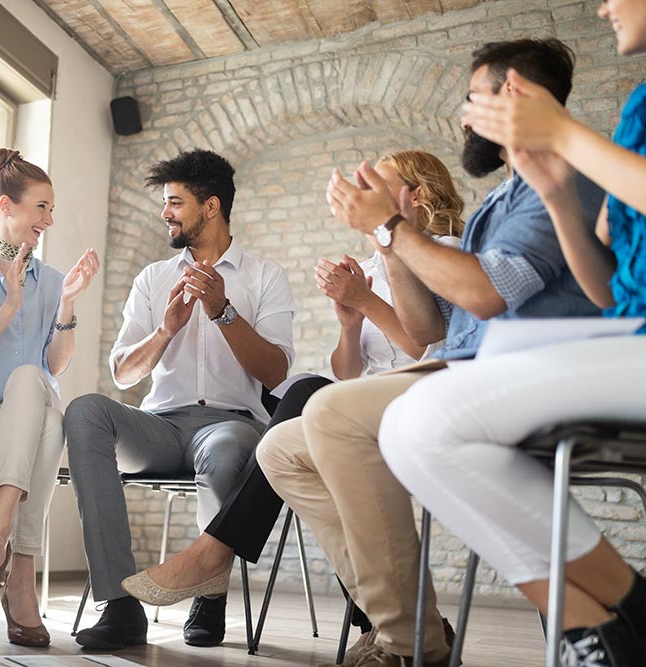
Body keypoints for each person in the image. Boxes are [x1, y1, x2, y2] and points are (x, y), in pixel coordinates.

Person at [256, 38, 607, 667]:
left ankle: (404, 644)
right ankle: (415, 623)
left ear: (515, 95)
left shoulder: (557, 184)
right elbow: (427, 329)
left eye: (474, 98)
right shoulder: (503, 199)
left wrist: (390, 229)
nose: (466, 115)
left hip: (513, 375)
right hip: (460, 366)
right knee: (280, 448)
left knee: (331, 412)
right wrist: (387, 240)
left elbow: (487, 293)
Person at [380, 3, 646, 665]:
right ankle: (619, 618)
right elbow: (606, 287)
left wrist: (565, 138)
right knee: (409, 427)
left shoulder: (614, 131)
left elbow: (486, 293)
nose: (603, 6)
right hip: (639, 334)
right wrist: (560, 194)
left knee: (422, 419)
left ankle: (620, 618)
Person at [121, 150, 467, 653]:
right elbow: (349, 370)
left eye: (380, 185)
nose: (365, 193)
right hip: (370, 402)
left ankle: (214, 552)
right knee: (306, 394)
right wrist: (350, 325)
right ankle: (404, 624)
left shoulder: (445, 249)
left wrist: (367, 301)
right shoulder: (372, 263)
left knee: (304, 399)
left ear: (414, 195)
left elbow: (424, 343)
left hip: (424, 397)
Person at [64, 148, 296, 650]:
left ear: (210, 207)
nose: (164, 212)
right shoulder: (152, 278)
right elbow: (125, 374)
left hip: (232, 424)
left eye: (175, 201)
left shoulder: (264, 277)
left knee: (230, 446)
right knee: (85, 411)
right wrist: (165, 332)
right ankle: (119, 604)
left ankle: (207, 592)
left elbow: (277, 373)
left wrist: (222, 311)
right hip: (161, 428)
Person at [0, 148, 98, 648]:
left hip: (28, 418)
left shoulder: (52, 282)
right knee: (47, 418)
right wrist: (10, 305)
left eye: (52, 210)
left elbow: (54, 365)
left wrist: (67, 303)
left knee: (40, 394)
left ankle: (1, 524)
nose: (49, 220)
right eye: (41, 208)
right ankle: (21, 576)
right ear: (7, 206)